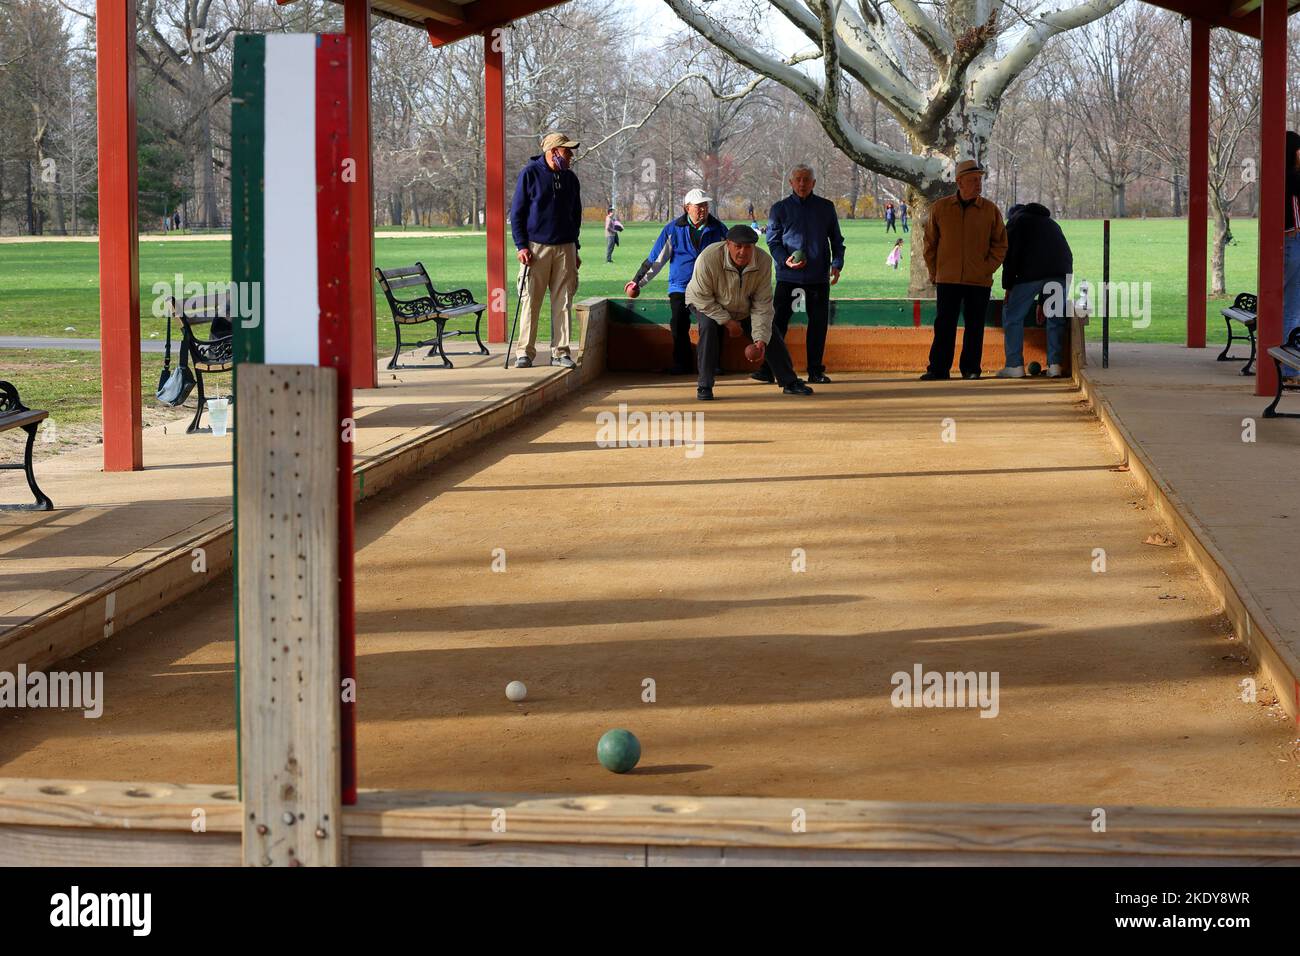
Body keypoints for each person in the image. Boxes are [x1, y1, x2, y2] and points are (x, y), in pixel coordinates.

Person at [686, 225, 814, 401]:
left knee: (771, 333)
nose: (742, 252)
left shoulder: (763, 261)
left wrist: (760, 340)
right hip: (706, 302)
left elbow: (762, 304)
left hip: (743, 307)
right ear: (727, 244)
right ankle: (704, 385)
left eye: (747, 247)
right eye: (737, 246)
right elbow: (701, 297)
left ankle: (789, 382)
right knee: (708, 328)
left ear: (754, 246)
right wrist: (728, 322)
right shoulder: (708, 258)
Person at [624, 188, 728, 375]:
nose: (703, 210)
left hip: (709, 288)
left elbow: (731, 259)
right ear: (687, 208)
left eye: (705, 205)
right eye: (699, 206)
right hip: (680, 286)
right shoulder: (672, 229)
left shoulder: (719, 229)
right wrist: (636, 282)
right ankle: (682, 364)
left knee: (713, 323)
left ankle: (713, 364)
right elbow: (655, 259)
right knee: (678, 322)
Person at [920, 159, 1008, 380]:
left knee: (975, 327)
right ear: (959, 182)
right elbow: (930, 243)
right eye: (973, 180)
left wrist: (987, 268)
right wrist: (934, 271)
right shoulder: (940, 208)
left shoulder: (990, 210)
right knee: (944, 325)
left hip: (978, 280)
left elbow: (1001, 244)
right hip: (947, 279)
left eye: (980, 180)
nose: (978, 184)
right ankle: (938, 369)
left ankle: (971, 369)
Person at [760, 163, 845, 385]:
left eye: (806, 179)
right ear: (791, 182)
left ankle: (815, 371)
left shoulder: (826, 207)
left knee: (818, 324)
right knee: (778, 323)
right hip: (788, 278)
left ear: (814, 183)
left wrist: (837, 263)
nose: (802, 183)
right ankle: (769, 369)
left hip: (818, 278)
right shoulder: (779, 209)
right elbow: (773, 241)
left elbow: (837, 239)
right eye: (798, 179)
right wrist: (783, 260)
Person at [509, 131, 583, 369]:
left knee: (563, 301)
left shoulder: (571, 179)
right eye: (566, 151)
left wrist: (575, 247)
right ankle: (525, 352)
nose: (570, 155)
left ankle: (560, 352)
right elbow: (517, 213)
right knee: (531, 301)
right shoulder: (529, 174)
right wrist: (521, 245)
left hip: (566, 247)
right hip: (535, 248)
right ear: (553, 152)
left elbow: (576, 216)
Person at [994, 202, 1073, 379]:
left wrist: (1008, 286)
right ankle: (1055, 366)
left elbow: (1010, 256)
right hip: (1061, 273)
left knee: (1012, 316)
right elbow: (1059, 256)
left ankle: (1014, 365)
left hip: (1030, 275)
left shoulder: (1016, 221)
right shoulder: (1052, 223)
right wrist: (1044, 301)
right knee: (1055, 319)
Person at [1284, 129, 1300, 382]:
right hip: (1291, 240)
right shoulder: (1291, 178)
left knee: (1293, 306)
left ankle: (1288, 369)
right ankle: (1288, 369)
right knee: (1291, 308)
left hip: (1292, 240)